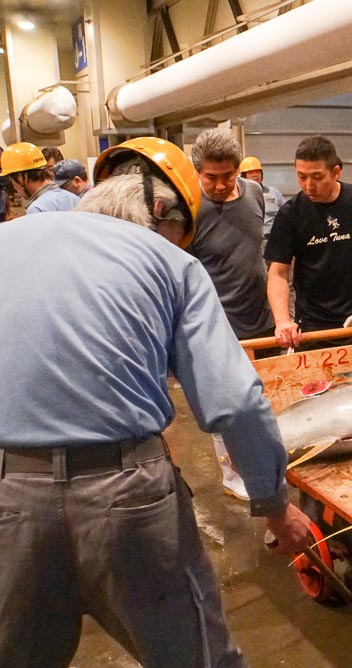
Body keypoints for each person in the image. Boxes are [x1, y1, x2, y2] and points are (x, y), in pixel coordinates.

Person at [0, 137, 312, 667]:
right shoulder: (170, 262)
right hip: (126, 498)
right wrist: (274, 505)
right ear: (162, 212)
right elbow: (234, 401)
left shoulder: (7, 240)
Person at [188, 129, 274, 501]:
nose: (222, 185)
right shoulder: (188, 206)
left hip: (262, 317)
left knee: (267, 397)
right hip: (217, 324)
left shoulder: (255, 193)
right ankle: (231, 471)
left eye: (229, 175)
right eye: (212, 177)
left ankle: (267, 462)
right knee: (226, 406)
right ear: (198, 173)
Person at [266, 135, 352, 347]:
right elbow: (278, 272)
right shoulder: (291, 213)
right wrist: (281, 321)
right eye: (302, 177)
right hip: (311, 328)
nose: (309, 186)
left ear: (336, 172)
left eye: (317, 177)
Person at [0, 142, 80, 214]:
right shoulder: (75, 199)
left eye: (12, 180)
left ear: (20, 177)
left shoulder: (37, 209)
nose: (14, 186)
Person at [239, 155, 286, 242]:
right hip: (251, 241)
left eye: (257, 172)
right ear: (243, 176)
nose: (255, 175)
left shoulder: (273, 192)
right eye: (250, 173)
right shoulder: (239, 196)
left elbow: (287, 214)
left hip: (273, 239)